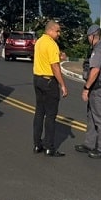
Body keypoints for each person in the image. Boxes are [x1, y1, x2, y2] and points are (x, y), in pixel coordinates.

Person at [75, 25, 101, 159]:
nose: (87, 39)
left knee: (100, 118)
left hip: (99, 88)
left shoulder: (99, 49)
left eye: (88, 37)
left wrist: (86, 88)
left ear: (92, 36)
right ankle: (89, 144)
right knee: (91, 116)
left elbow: (95, 70)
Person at [32, 20, 68, 157]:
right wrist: (62, 85)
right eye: (57, 31)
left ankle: (37, 144)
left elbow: (46, 57)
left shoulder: (40, 42)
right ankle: (49, 147)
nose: (59, 34)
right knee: (50, 115)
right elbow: (55, 66)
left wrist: (59, 56)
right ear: (51, 30)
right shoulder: (52, 44)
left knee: (39, 112)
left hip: (37, 79)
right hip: (48, 81)